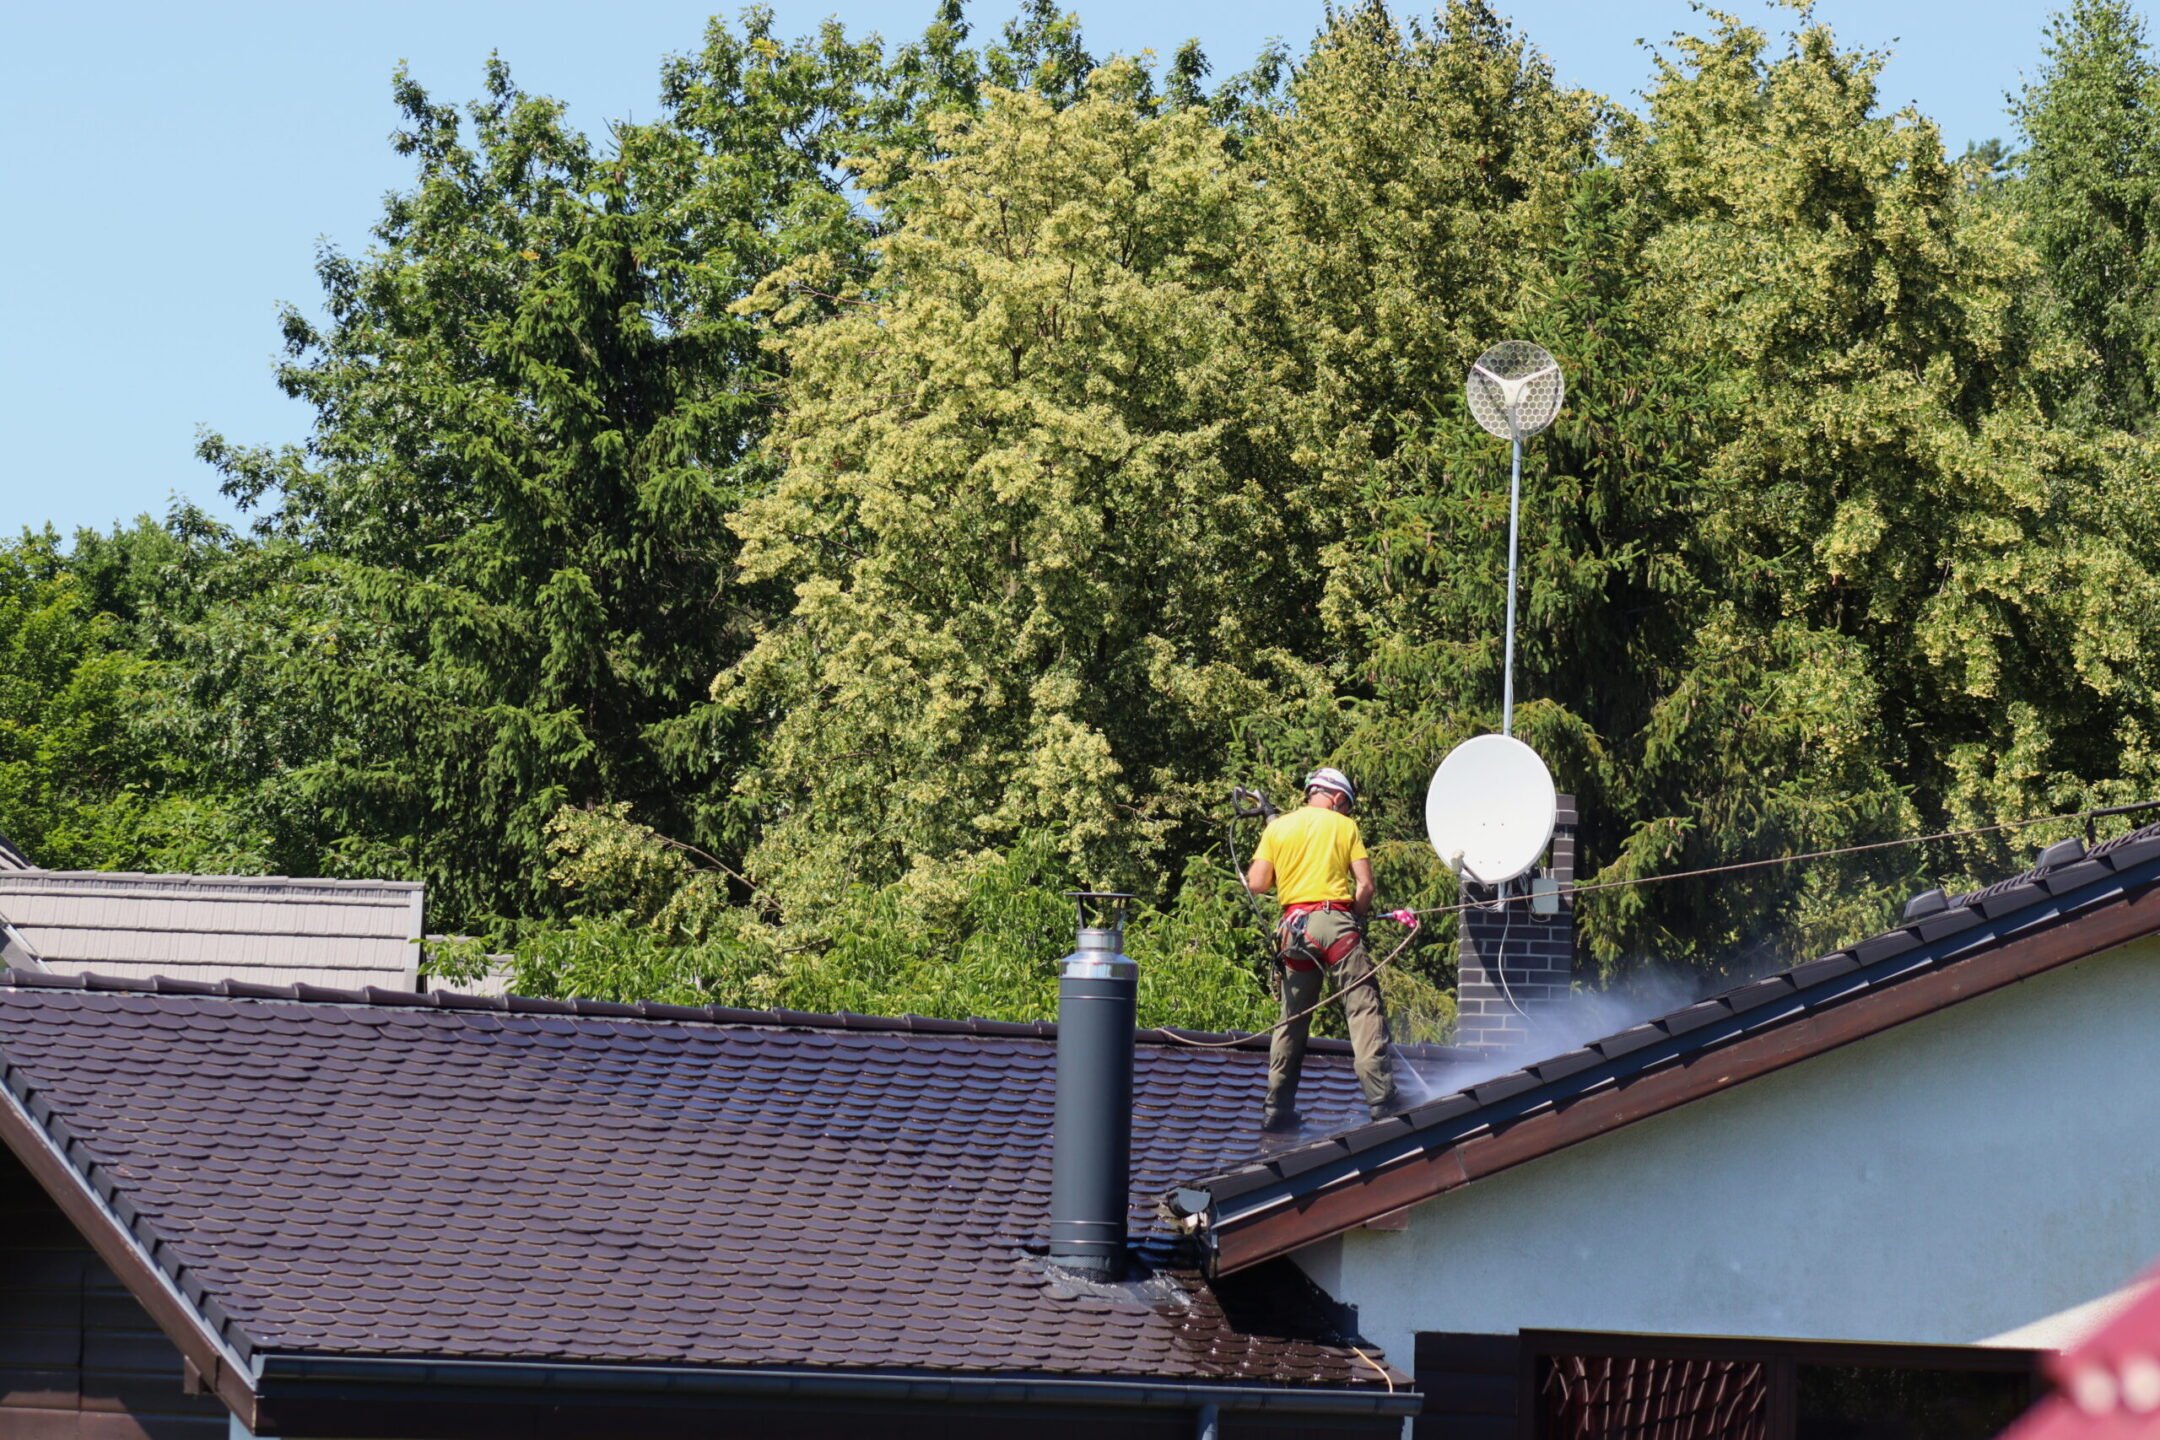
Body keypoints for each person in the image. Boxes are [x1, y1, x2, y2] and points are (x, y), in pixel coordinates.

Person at [1245, 767, 1401, 1132]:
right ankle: (1380, 1098)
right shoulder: (1343, 826)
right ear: (1337, 798)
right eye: (1346, 806)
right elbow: (1365, 886)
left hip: (1295, 931)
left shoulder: (1278, 828)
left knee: (1292, 1019)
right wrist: (1357, 917)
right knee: (1362, 1008)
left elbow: (1257, 883)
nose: (1345, 812)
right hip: (1335, 926)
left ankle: (1277, 1108)